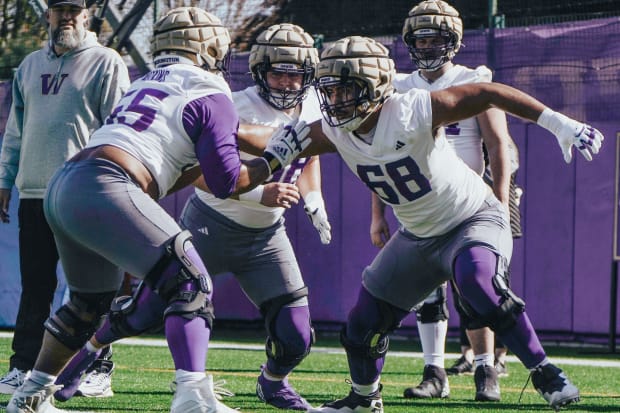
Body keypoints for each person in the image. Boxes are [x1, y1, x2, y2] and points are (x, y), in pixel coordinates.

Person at [239, 35, 602, 413]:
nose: (336, 101)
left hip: (470, 218)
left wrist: (559, 123)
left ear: (375, 88)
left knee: (478, 281)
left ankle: (546, 371)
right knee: (362, 325)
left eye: (347, 89)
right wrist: (243, 144)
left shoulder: (412, 110)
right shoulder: (332, 128)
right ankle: (364, 399)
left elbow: (488, 92)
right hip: (417, 235)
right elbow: (265, 145)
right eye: (330, 91)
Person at [6, 7, 310, 413]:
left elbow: (175, 172)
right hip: (107, 183)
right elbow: (225, 183)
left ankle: (31, 395)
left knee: (86, 304)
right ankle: (191, 395)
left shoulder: (144, 81)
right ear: (208, 47)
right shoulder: (209, 90)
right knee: (190, 280)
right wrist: (275, 157)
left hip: (67, 183)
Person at [368, 0, 515, 402]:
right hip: (418, 205)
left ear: (454, 41)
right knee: (427, 295)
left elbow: (498, 144)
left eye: (437, 38)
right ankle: (435, 372)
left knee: (476, 290)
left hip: (469, 205)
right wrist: (377, 213)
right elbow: (379, 155)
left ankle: (486, 370)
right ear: (409, 42)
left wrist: (499, 201)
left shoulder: (472, 78)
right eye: (421, 39)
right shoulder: (398, 85)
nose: (429, 46)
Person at [0, 0, 129, 399]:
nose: (66, 16)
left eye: (74, 9)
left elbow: (120, 129)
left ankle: (97, 367)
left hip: (83, 194)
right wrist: (5, 180)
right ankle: (22, 366)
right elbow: (16, 133)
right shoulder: (29, 65)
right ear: (50, 15)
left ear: (86, 15)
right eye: (59, 9)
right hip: (35, 193)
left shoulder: (106, 62)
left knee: (91, 289)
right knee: (35, 287)